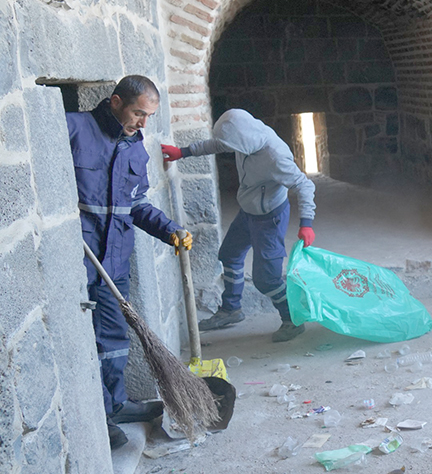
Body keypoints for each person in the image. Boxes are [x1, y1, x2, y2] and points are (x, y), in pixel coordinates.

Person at [68, 76, 192, 450]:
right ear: (116, 101)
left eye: (148, 116)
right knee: (85, 341)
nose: (143, 122)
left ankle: (117, 403)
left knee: (114, 339)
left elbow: (136, 206)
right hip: (78, 258)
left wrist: (170, 230)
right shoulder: (74, 128)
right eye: (138, 112)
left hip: (115, 261)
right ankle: (101, 415)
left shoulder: (135, 150)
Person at [161, 109, 315, 343]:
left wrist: (307, 223)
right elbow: (217, 145)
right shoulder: (244, 137)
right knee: (229, 255)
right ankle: (231, 310)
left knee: (267, 279)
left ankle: (292, 320)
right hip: (248, 212)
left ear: (243, 139)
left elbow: (304, 185)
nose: (227, 146)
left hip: (270, 218)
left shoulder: (275, 156)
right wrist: (182, 152)